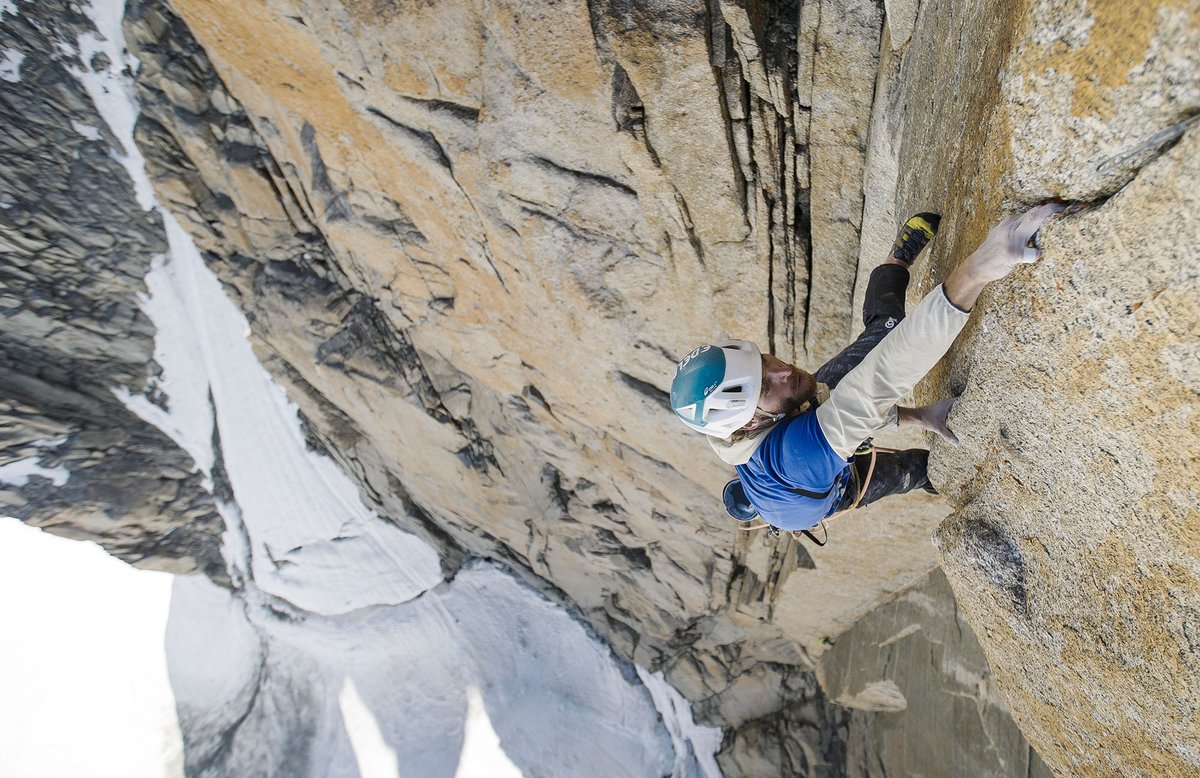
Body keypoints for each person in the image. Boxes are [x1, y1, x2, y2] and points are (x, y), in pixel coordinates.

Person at [670, 205, 1063, 532]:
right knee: (919, 469)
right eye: (764, 388)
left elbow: (854, 400)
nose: (783, 371)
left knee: (886, 330)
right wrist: (979, 269)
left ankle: (896, 261)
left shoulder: (749, 420)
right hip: (839, 489)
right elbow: (879, 380)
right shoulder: (797, 455)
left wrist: (919, 416)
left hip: (809, 441)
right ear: (749, 425)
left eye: (763, 363)